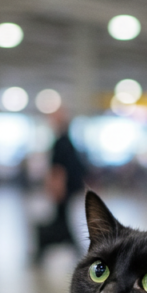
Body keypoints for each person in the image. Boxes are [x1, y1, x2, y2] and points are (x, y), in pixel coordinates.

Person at [33, 108, 86, 264]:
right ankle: (69, 244)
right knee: (62, 217)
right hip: (69, 188)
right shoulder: (65, 141)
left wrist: (57, 187)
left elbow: (60, 169)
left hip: (65, 189)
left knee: (62, 217)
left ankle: (49, 244)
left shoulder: (62, 142)